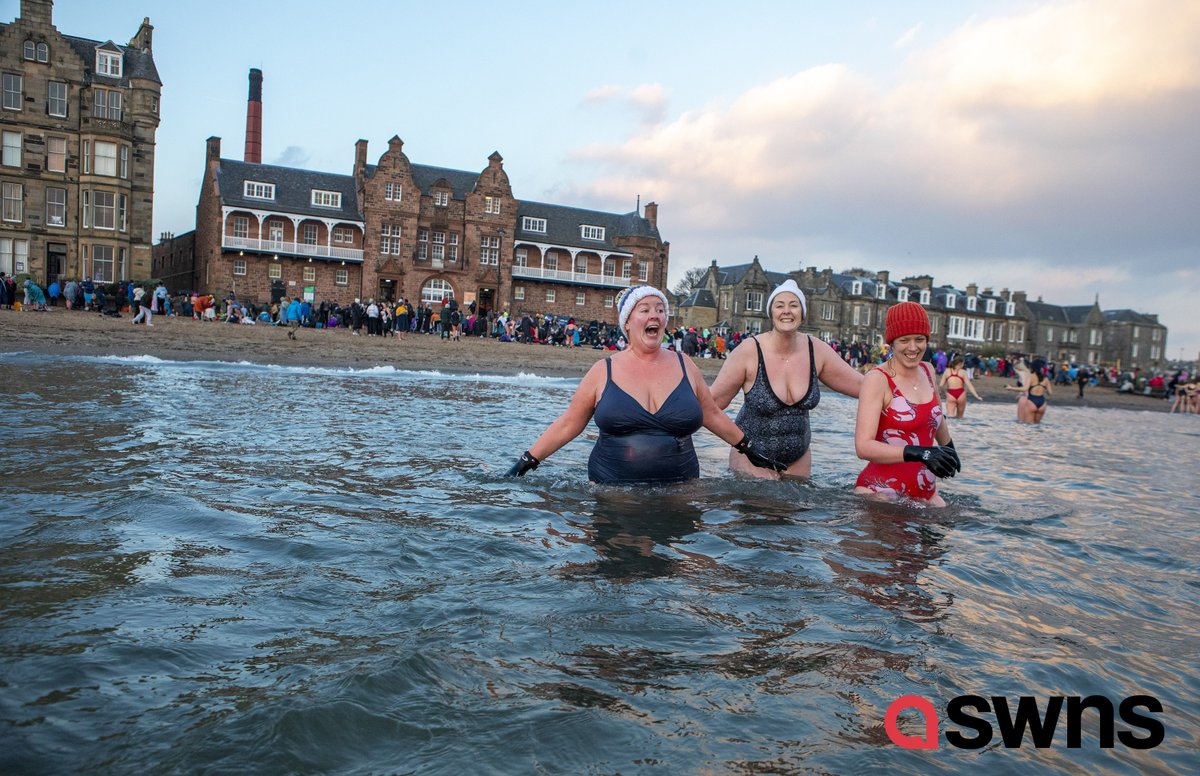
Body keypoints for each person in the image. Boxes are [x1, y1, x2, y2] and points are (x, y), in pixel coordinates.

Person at [506, 285, 786, 485]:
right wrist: (527, 461)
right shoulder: (603, 371)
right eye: (645, 310)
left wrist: (749, 448)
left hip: (680, 493)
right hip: (613, 495)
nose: (655, 315)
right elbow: (569, 424)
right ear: (627, 323)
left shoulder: (685, 364)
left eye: (660, 309)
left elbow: (711, 414)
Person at [710, 280, 864, 479]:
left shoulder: (816, 350)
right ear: (771, 312)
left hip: (798, 459)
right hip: (750, 456)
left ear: (802, 312)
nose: (787, 311)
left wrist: (903, 386)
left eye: (794, 305)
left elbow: (863, 386)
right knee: (762, 504)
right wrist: (742, 445)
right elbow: (711, 405)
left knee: (793, 508)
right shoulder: (748, 351)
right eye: (779, 305)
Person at [854, 302, 960, 505]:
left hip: (926, 494)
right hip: (881, 494)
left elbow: (936, 418)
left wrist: (950, 449)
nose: (913, 347)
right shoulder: (877, 379)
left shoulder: (928, 370)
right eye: (904, 340)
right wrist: (919, 453)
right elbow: (863, 447)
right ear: (892, 342)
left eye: (920, 339)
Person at [1006, 358, 1052, 423]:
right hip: (1042, 403)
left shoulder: (1031, 376)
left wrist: (1011, 388)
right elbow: (1050, 393)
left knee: (1028, 425)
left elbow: (1024, 388)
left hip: (1032, 401)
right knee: (1037, 426)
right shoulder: (1046, 379)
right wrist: (1042, 388)